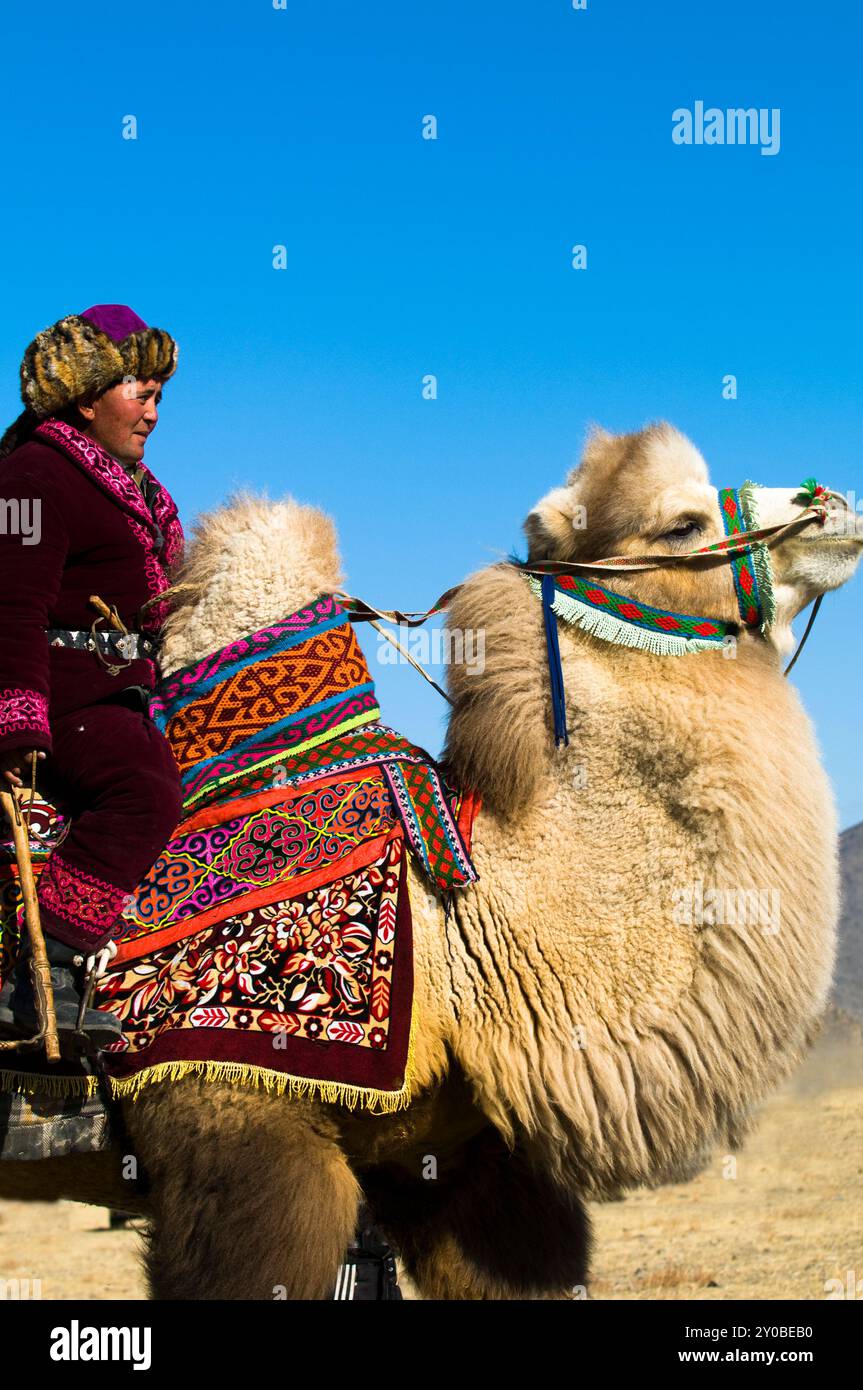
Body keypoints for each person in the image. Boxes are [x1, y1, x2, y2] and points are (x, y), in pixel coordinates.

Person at [0, 305, 185, 1050]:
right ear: (86, 396)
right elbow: (9, 601)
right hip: (66, 689)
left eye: (159, 397)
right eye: (139, 393)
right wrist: (16, 723)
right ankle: (45, 976)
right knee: (144, 792)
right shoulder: (30, 476)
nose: (153, 412)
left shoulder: (140, 491)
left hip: (126, 690)